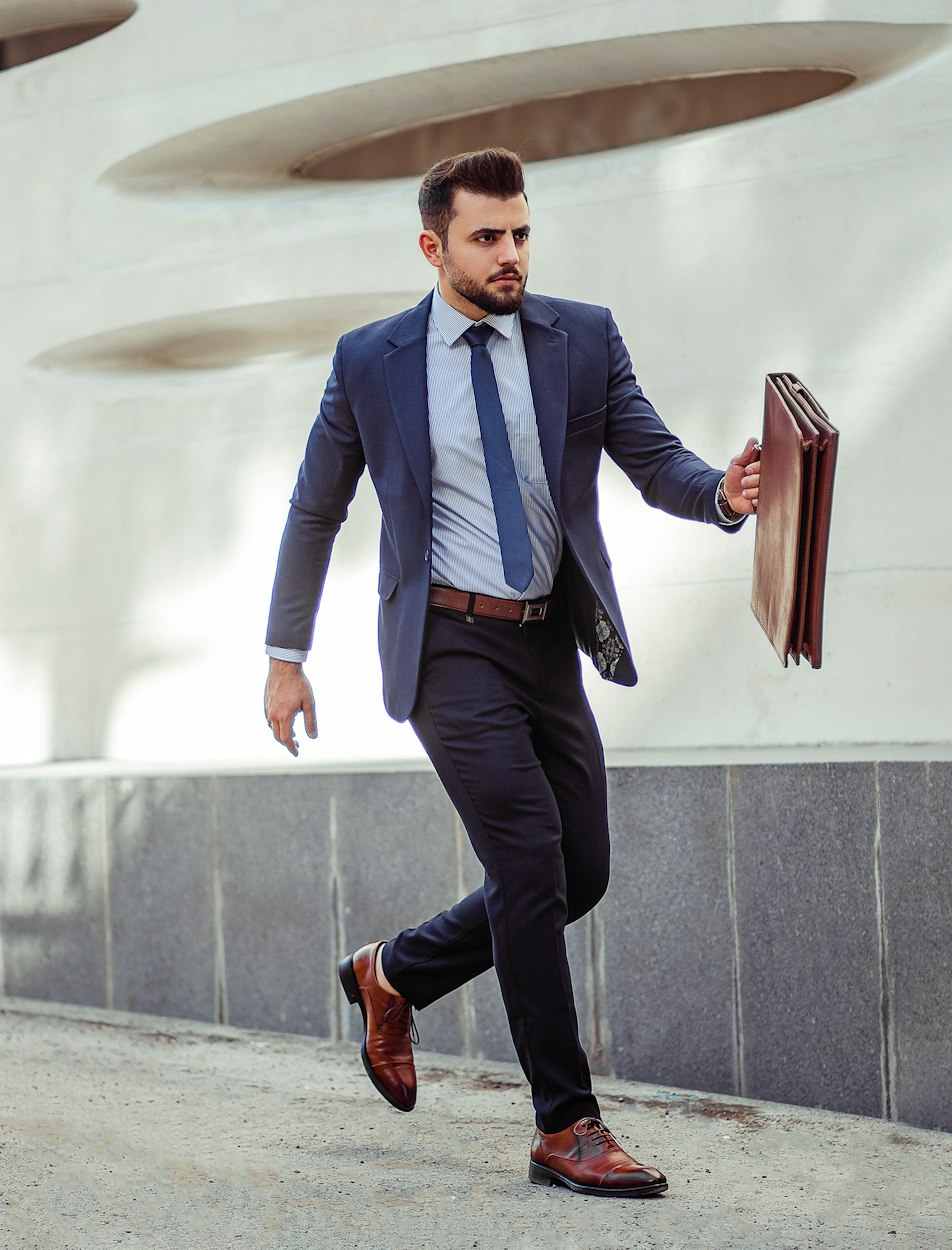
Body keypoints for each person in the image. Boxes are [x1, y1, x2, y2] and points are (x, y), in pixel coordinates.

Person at [264, 148, 760, 1197]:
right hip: (446, 645)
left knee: (579, 870)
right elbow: (317, 507)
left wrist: (723, 490)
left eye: (521, 233)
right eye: (487, 236)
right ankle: (565, 1122)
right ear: (433, 244)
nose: (510, 255)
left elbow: (653, 456)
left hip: (547, 640)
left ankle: (392, 971)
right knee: (530, 859)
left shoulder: (580, 335)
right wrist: (284, 657)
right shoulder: (372, 360)